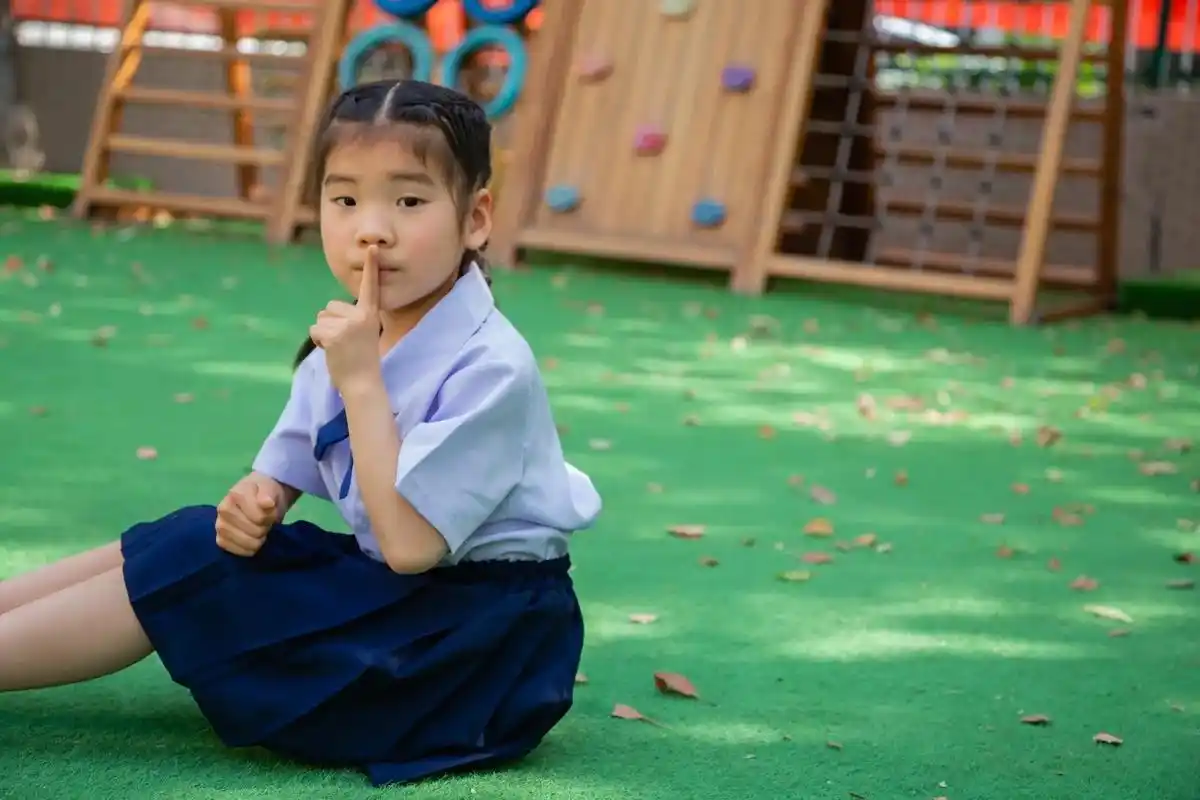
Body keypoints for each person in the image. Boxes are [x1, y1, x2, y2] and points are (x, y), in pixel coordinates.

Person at [0, 79, 602, 786]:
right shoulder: (351, 334)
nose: (371, 229)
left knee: (192, 565)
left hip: (475, 648)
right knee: (190, 535)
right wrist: (257, 501)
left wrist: (361, 382)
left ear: (475, 218)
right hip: (412, 598)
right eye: (345, 200)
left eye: (408, 201)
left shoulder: (493, 368)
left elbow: (410, 546)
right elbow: (283, 469)